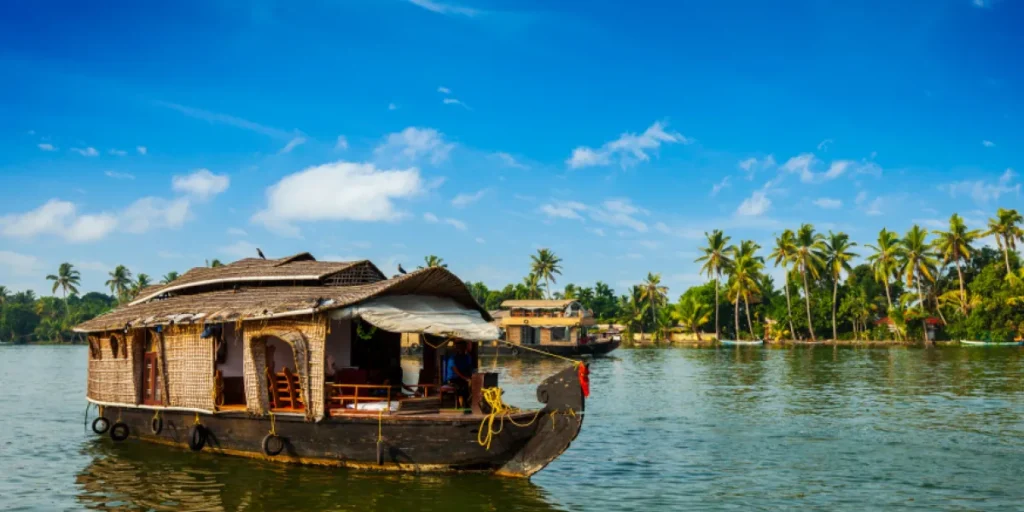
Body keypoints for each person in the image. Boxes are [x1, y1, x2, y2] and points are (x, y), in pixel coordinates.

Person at [445, 341, 474, 406]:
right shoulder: (452, 358)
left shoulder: (467, 357)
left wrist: (472, 376)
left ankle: (470, 403)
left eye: (463, 347)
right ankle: (463, 403)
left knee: (473, 384)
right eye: (459, 348)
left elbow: (469, 368)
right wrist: (466, 378)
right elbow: (456, 371)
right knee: (463, 386)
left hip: (463, 378)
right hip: (453, 379)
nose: (461, 349)